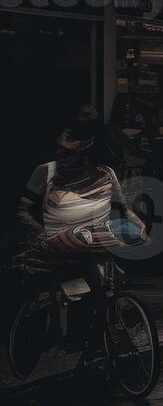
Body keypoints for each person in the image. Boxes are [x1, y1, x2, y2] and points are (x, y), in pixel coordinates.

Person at [14, 123, 146, 288]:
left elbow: (123, 209)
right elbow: (22, 209)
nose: (63, 154)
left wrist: (139, 226)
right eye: (61, 148)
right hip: (60, 244)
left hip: (94, 244)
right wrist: (41, 235)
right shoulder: (46, 171)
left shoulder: (105, 173)